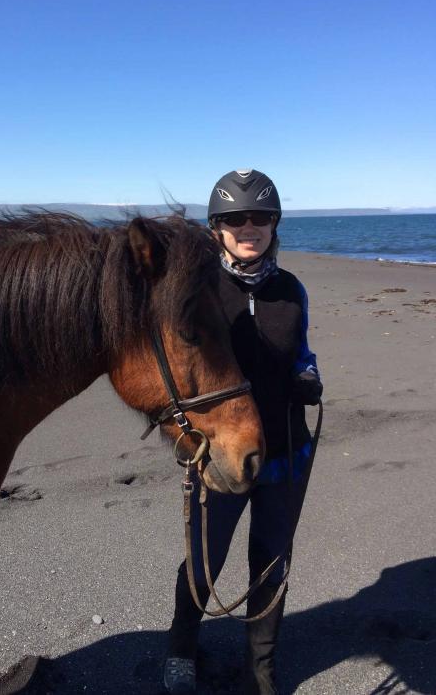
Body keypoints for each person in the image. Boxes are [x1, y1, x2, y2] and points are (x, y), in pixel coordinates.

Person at [163, 169, 323, 694]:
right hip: (219, 455)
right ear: (216, 229)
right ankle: (182, 648)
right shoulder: (200, 290)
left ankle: (262, 671)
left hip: (284, 453)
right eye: (235, 218)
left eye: (261, 217)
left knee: (270, 564)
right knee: (206, 562)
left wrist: (308, 373)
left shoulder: (290, 289)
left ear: (275, 225)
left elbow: (302, 349)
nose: (248, 227)